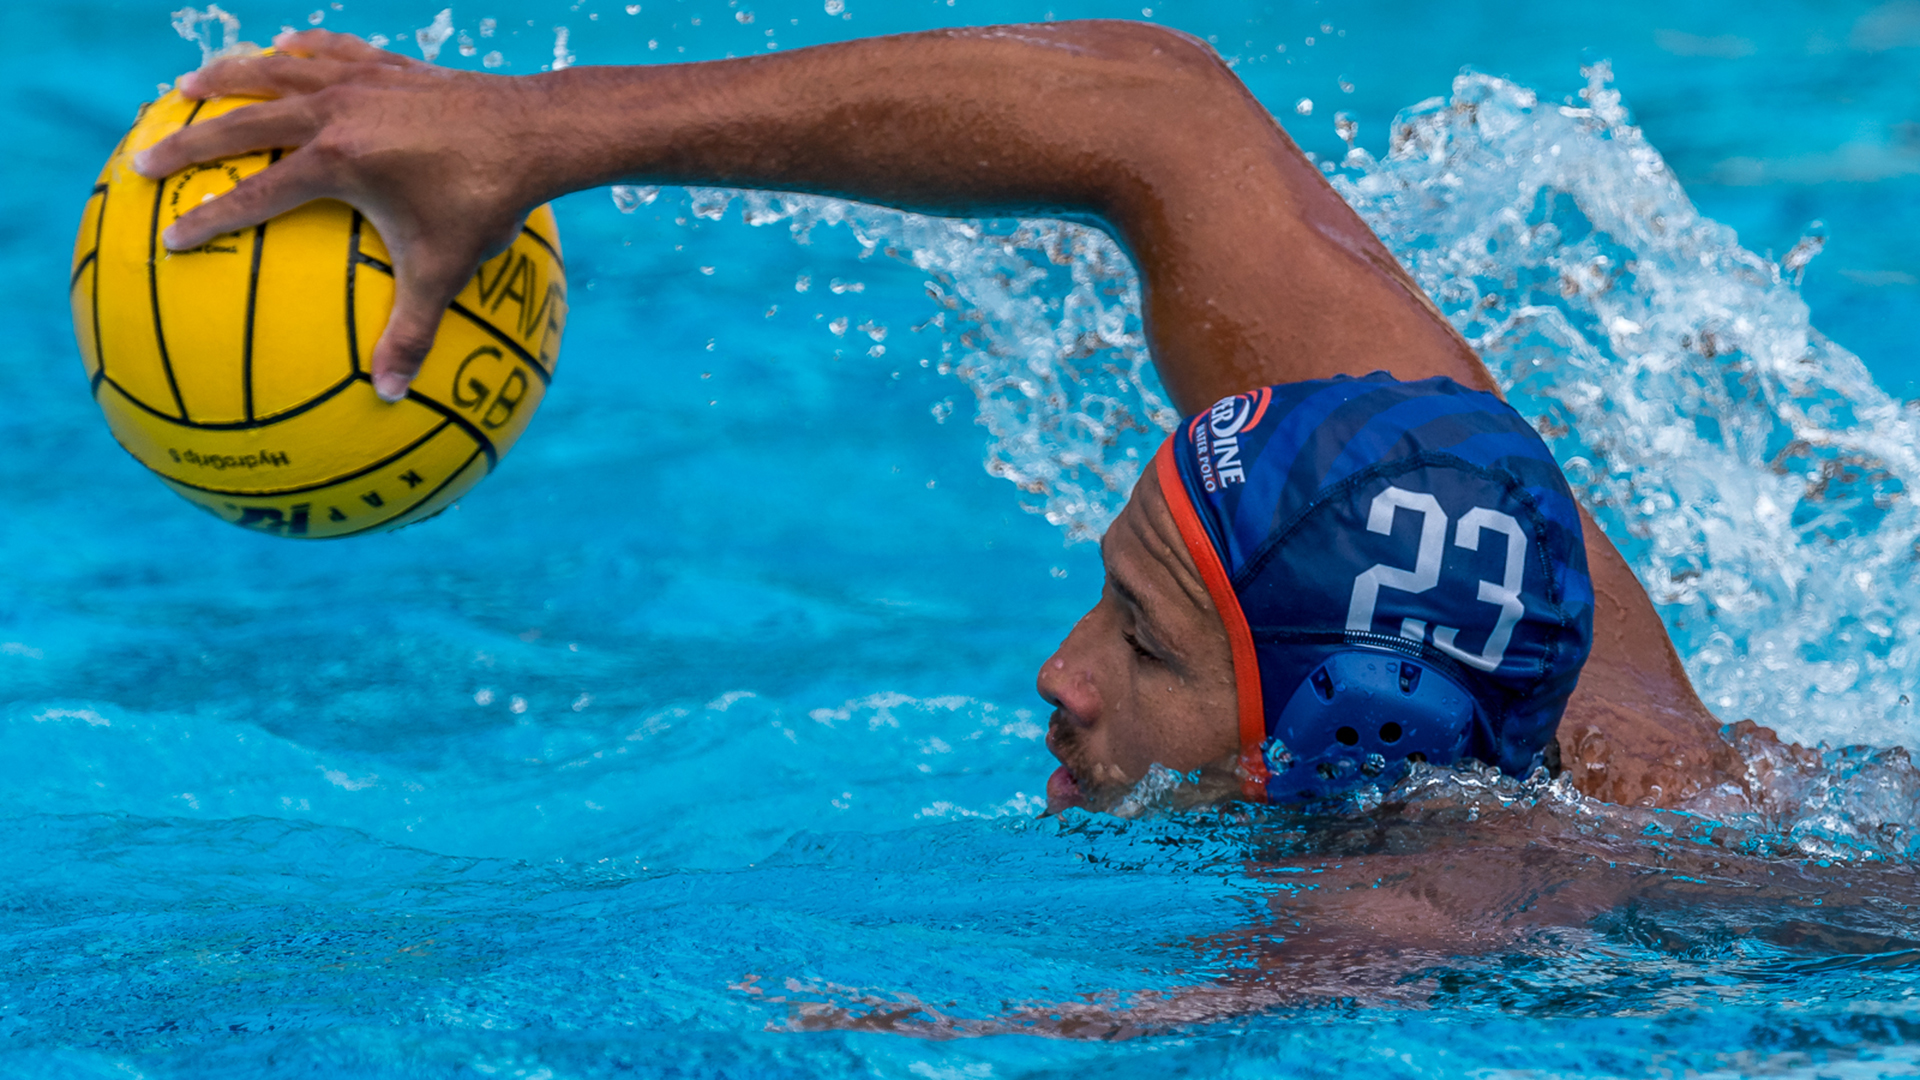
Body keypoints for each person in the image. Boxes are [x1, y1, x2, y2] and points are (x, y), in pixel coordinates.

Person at [132, 19, 1752, 815]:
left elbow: (1388, 951)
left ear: (1330, 759)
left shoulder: (1496, 885)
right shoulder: (1447, 518)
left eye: (1148, 643)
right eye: (1116, 595)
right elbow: (1162, 118)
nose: (1058, 673)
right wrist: (537, 130)